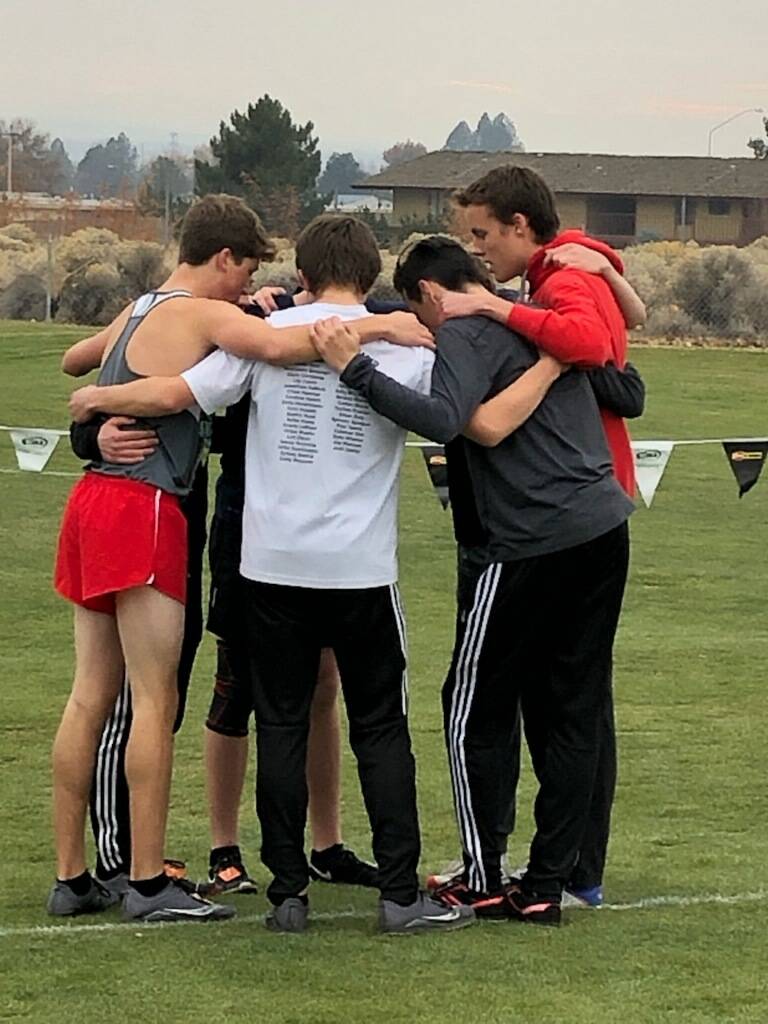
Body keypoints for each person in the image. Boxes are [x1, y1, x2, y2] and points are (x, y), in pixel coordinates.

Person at [67, 214, 476, 936]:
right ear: (371, 275)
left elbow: (179, 392)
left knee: (280, 721)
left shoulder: (261, 336)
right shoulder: (411, 343)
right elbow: (442, 416)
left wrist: (96, 407)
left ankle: (288, 889)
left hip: (270, 564)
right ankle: (399, 894)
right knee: (380, 726)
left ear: (306, 275)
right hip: (360, 566)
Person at [311, 234, 635, 926]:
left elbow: (444, 420)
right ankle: (549, 882)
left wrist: (355, 370)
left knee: (469, 710)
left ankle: (484, 877)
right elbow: (615, 376)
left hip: (526, 542)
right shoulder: (535, 317)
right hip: (603, 526)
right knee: (572, 706)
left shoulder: (462, 331)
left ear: (430, 294)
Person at [433, 165, 642, 908]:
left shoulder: (557, 279)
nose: (481, 250)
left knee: (539, 703)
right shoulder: (572, 261)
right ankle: (561, 877)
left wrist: (495, 310)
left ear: (523, 225)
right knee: (572, 703)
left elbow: (585, 340)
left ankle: (547, 871)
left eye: (485, 234)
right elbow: (633, 319)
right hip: (593, 503)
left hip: (565, 502)